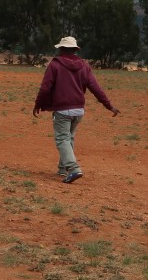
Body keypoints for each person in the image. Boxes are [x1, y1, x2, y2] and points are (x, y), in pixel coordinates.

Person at [32, 36, 120, 184]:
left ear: (60, 49)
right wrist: (109, 105)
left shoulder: (55, 65)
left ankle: (73, 169)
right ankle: (62, 168)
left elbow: (45, 88)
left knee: (62, 139)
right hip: (79, 110)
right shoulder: (84, 66)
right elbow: (95, 88)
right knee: (69, 137)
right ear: (75, 50)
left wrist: (38, 104)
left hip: (62, 110)